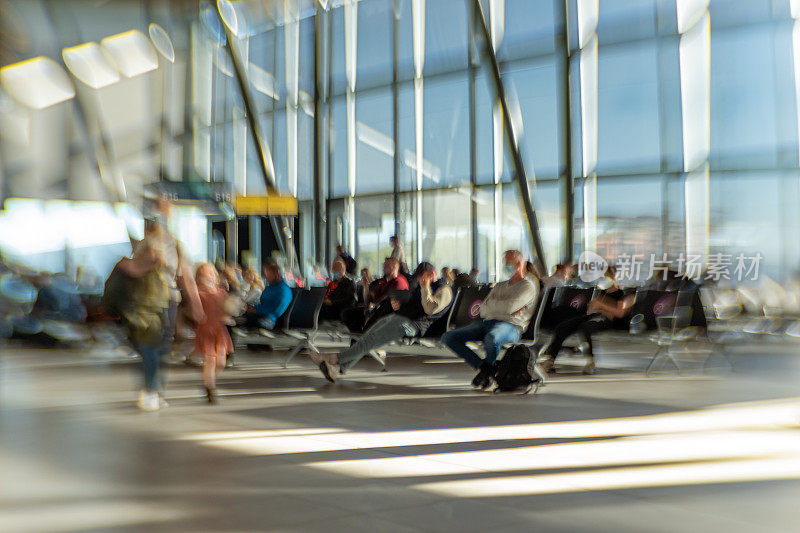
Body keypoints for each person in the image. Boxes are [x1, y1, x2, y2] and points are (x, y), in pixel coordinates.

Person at [313, 262, 453, 382]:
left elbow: (430, 309)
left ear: (431, 273)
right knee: (367, 337)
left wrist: (425, 287)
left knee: (371, 340)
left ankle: (334, 358)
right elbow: (414, 304)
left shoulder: (444, 290)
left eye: (423, 277)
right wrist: (399, 304)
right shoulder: (425, 286)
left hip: (411, 325)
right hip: (401, 318)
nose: (420, 280)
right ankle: (337, 369)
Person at [442, 250, 539, 389]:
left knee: (492, 338)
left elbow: (508, 307)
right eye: (505, 262)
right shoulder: (500, 285)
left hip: (511, 326)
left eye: (508, 262)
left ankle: (486, 372)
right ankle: (488, 369)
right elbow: (483, 310)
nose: (506, 265)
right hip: (487, 322)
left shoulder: (527, 286)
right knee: (448, 337)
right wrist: (502, 307)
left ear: (519, 264)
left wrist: (494, 305)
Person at [539, 276, 635, 375]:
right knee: (563, 326)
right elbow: (592, 309)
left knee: (586, 327)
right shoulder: (603, 293)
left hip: (609, 321)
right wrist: (603, 307)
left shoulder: (623, 294)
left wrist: (602, 306)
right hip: (594, 316)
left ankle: (590, 361)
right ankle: (550, 360)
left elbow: (619, 313)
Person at [193, 263, 234, 403]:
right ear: (199, 277)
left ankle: (208, 382)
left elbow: (225, 310)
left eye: (210, 273)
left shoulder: (221, 293)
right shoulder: (198, 294)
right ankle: (210, 388)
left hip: (219, 329)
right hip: (206, 329)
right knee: (210, 359)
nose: (208, 276)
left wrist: (228, 314)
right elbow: (194, 312)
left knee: (221, 361)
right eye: (204, 273)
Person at [341, 258, 409, 333]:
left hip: (386, 311)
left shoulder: (399, 281)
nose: (384, 267)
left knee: (377, 310)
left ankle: (363, 335)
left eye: (386, 265)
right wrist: (365, 286)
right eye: (384, 265)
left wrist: (372, 309)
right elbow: (368, 299)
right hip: (375, 309)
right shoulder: (383, 282)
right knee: (347, 314)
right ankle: (358, 334)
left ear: (394, 267)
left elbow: (387, 300)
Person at [247, 262, 293, 332]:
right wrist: (253, 308)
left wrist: (256, 310)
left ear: (276, 274)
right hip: (260, 315)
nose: (266, 277)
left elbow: (276, 310)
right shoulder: (269, 288)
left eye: (268, 274)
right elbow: (263, 303)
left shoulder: (283, 290)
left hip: (269, 320)